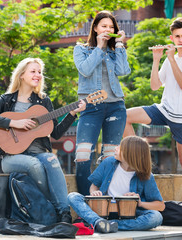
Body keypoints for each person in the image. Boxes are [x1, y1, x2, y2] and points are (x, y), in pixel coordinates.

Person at [0, 57, 86, 223]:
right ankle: (52, 205)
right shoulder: (7, 100)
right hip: (10, 157)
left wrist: (72, 114)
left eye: (40, 72)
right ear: (22, 75)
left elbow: (56, 133)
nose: (38, 75)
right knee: (33, 164)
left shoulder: (44, 102)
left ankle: (64, 213)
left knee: (52, 159)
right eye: (33, 71)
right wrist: (14, 123)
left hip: (39, 153)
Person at [123, 17, 182, 205]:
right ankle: (138, 160)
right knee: (124, 116)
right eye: (177, 36)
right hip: (164, 109)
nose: (181, 40)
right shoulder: (170, 59)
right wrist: (157, 59)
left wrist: (170, 58)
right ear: (172, 37)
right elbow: (154, 86)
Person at [74, 10, 131, 196]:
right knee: (82, 155)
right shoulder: (81, 49)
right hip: (90, 107)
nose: (108, 29)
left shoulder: (115, 52)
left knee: (110, 158)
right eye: (104, 26)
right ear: (96, 28)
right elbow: (85, 70)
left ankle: (106, 202)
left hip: (116, 106)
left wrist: (120, 44)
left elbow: (124, 71)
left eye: (111, 27)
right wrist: (98, 47)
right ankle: (84, 203)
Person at [68, 136, 165, 233]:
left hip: (129, 214)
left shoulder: (146, 176)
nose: (116, 148)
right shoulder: (108, 162)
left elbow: (160, 206)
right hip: (102, 210)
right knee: (73, 196)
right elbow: (94, 185)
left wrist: (140, 203)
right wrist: (95, 192)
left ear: (130, 153)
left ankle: (105, 224)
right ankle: (99, 222)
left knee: (156, 217)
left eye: (120, 147)